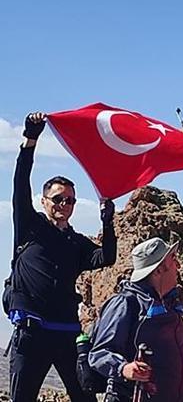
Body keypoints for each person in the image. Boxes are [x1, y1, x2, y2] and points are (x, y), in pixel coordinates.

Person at [6, 112, 116, 401]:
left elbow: (106, 257)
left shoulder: (75, 242)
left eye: (70, 200)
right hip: (32, 333)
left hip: (67, 332)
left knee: (84, 396)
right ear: (44, 201)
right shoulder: (30, 226)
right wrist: (30, 139)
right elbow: (20, 182)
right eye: (58, 199)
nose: (64, 205)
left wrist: (107, 222)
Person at [89, 238, 183, 402]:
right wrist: (123, 368)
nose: (178, 266)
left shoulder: (170, 305)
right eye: (173, 260)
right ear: (158, 271)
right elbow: (99, 353)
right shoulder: (126, 303)